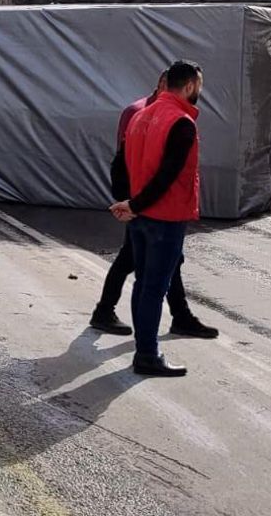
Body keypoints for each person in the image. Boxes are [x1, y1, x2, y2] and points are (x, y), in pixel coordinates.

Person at [91, 71, 218, 340]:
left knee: (163, 266)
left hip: (142, 204)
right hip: (151, 206)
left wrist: (131, 202)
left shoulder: (142, 113)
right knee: (144, 273)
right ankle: (140, 341)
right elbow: (134, 164)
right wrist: (130, 202)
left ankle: (178, 317)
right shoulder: (152, 115)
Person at [111, 60, 205, 377]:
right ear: (190, 86)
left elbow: (120, 165)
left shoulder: (140, 116)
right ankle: (147, 355)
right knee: (154, 288)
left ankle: (144, 350)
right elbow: (167, 176)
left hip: (141, 217)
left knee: (142, 284)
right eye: (199, 86)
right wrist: (135, 204)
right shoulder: (182, 123)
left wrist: (127, 202)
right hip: (164, 217)